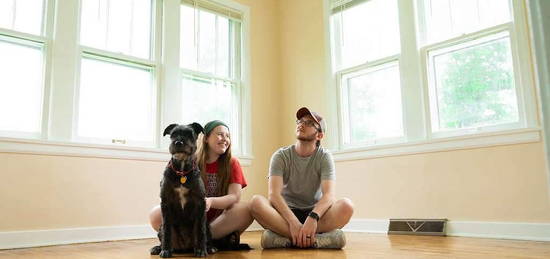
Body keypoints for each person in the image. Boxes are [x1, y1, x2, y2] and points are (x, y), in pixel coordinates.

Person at [249, 107, 354, 249]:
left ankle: (283, 239)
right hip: (285, 214)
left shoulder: (324, 156)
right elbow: (274, 195)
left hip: (315, 213)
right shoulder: (280, 156)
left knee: (346, 206)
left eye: (310, 123)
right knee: (256, 203)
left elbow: (329, 195)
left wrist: (313, 218)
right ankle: (318, 239)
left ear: (319, 136)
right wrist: (293, 222)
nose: (301, 124)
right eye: (300, 121)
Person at [149, 120, 253, 247]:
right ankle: (207, 241)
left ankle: (201, 239)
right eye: (220, 134)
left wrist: (211, 201)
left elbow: (234, 197)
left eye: (228, 136)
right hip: (189, 219)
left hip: (219, 220)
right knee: (155, 214)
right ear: (206, 138)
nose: (224, 139)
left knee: (246, 209)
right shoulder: (187, 159)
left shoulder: (232, 163)